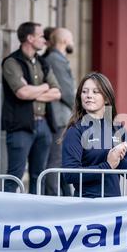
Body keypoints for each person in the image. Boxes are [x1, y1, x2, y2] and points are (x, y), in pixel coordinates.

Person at [1, 22, 61, 193]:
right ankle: (7, 214)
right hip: (20, 126)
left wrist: (33, 91)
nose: (45, 40)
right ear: (30, 38)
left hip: (44, 126)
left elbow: (57, 92)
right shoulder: (11, 62)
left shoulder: (43, 63)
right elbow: (21, 93)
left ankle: (36, 215)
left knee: (39, 175)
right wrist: (44, 87)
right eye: (41, 36)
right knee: (15, 175)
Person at [62, 72, 127, 198]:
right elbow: (70, 175)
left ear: (106, 98)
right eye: (84, 91)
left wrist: (120, 158)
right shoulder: (75, 131)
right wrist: (107, 166)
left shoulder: (118, 129)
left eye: (95, 92)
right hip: (87, 205)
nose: (89, 95)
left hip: (113, 205)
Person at [44, 28, 76, 196]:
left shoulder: (59, 59)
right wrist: (83, 108)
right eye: (71, 39)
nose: (73, 43)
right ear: (64, 41)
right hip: (59, 118)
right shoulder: (55, 60)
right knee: (55, 162)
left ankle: (66, 196)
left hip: (62, 117)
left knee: (62, 161)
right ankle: (53, 199)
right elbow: (68, 91)